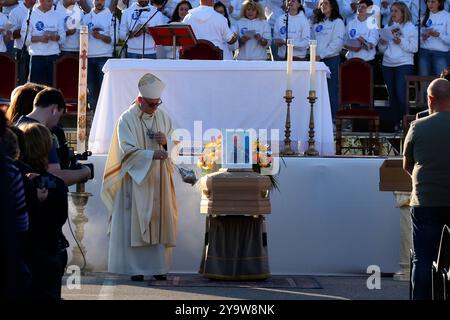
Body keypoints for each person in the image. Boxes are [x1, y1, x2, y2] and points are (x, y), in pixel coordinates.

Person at [102, 73, 179, 281]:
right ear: (139, 100)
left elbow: (176, 142)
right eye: (151, 104)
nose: (155, 108)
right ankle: (135, 269)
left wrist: (166, 143)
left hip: (159, 180)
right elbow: (125, 150)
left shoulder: (162, 117)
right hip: (135, 180)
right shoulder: (126, 119)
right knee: (134, 222)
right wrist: (151, 155)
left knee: (159, 221)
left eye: (157, 103)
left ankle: (158, 268)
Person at [403, 78, 450, 300]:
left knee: (422, 258)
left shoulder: (418, 126)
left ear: (430, 99)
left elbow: (407, 165)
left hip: (426, 201)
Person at [17, 122, 69, 300]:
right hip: (49, 250)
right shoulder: (58, 185)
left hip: (23, 252)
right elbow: (62, 217)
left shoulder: (16, 180)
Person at [15, 87, 92, 186]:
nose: (57, 123)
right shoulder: (43, 134)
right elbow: (55, 178)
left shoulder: (14, 127)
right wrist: (85, 172)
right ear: (54, 110)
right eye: (59, 117)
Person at [378, 1, 417, 131]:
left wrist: (400, 41)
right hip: (388, 64)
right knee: (392, 95)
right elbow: (383, 50)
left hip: (404, 63)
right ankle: (396, 123)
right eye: (392, 11)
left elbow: (414, 48)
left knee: (401, 94)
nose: (393, 13)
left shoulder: (410, 27)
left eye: (396, 11)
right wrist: (382, 43)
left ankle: (406, 123)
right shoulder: (389, 26)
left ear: (403, 12)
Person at [312, 0, 345, 120]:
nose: (323, 6)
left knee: (331, 91)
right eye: (321, 4)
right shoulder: (316, 23)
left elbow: (337, 44)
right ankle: (318, 119)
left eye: (326, 3)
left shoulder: (338, 22)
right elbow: (312, 40)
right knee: (316, 91)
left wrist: (321, 55)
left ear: (332, 6)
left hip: (331, 60)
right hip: (316, 61)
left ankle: (333, 121)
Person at [21, 0, 66, 85]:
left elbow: (63, 38)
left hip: (53, 56)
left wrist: (55, 37)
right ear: (41, 1)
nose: (51, 3)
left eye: (52, 1)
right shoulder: (31, 15)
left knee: (52, 88)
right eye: (49, 1)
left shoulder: (57, 15)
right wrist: (40, 38)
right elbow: (25, 38)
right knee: (35, 88)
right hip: (36, 56)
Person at [82, 0, 114, 111]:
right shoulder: (85, 18)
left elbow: (113, 40)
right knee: (91, 89)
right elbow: (80, 38)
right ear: (93, 1)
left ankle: (105, 113)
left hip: (104, 56)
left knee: (104, 88)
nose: (99, 2)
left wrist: (100, 36)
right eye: (97, 0)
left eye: (101, 0)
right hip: (89, 57)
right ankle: (94, 115)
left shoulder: (111, 17)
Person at [418, 0, 450, 77]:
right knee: (424, 83)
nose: (430, 4)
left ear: (439, 3)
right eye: (428, 2)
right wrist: (423, 38)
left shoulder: (447, 16)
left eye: (433, 1)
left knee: (441, 83)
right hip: (424, 53)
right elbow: (418, 41)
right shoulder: (423, 17)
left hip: (441, 54)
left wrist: (439, 35)